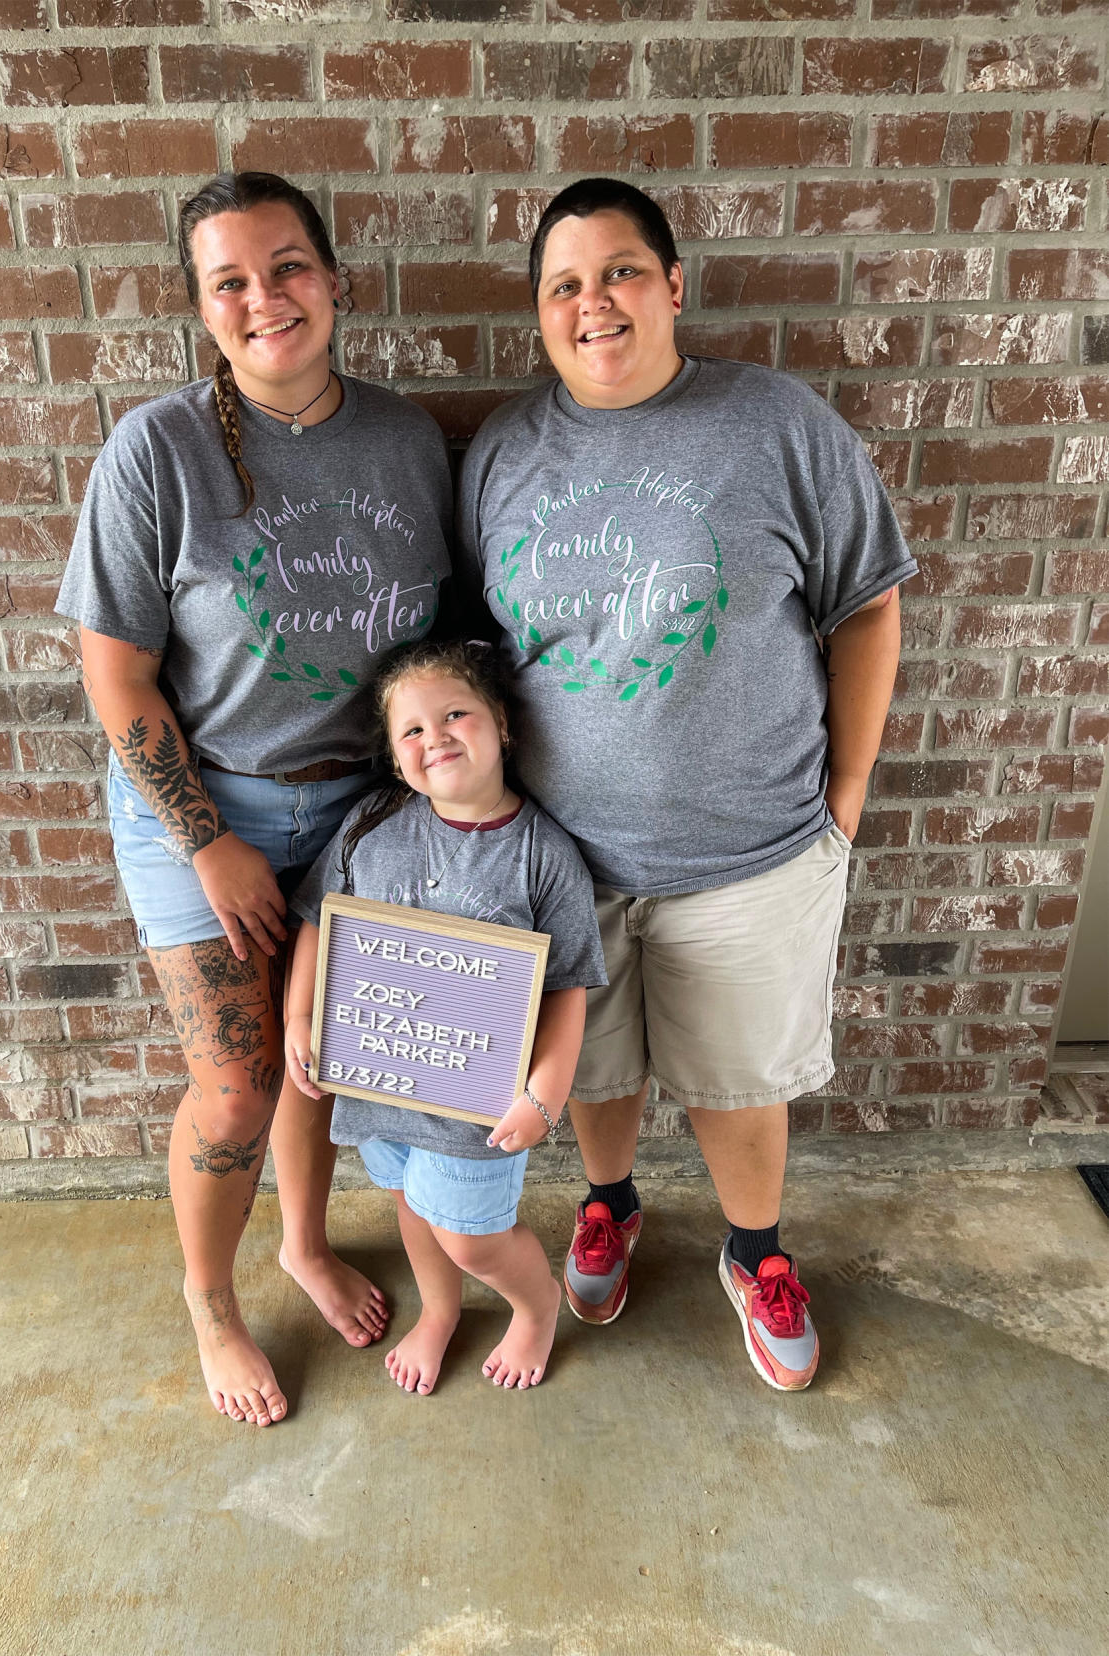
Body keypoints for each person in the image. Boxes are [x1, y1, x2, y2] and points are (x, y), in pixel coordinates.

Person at [457, 177, 917, 1391]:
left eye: (617, 271)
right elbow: (482, 647)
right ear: (542, 315)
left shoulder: (776, 425)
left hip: (753, 848)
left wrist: (851, 788)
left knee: (738, 1085)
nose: (592, 302)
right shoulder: (503, 449)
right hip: (564, 859)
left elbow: (870, 605)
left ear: (672, 285)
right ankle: (609, 1204)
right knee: (595, 1072)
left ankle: (755, 1252)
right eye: (564, 285)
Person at [55, 172, 454, 1426]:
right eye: (229, 280)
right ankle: (212, 1304)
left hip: (355, 815)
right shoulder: (156, 451)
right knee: (236, 1085)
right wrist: (209, 838)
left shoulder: (404, 440)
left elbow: (439, 636)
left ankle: (306, 1242)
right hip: (197, 808)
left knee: (322, 1065)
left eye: (286, 267)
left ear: (335, 280)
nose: (264, 298)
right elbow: (114, 675)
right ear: (203, 309)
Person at [283, 640, 607, 1394]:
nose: (437, 737)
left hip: (478, 1103)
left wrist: (544, 1095)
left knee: (471, 1233)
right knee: (413, 1205)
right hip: (382, 1081)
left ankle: (534, 1307)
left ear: (501, 723)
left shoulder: (543, 855)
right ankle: (440, 1312)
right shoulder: (370, 823)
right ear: (396, 760)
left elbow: (567, 986)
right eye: (413, 731)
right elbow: (319, 919)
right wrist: (301, 1016)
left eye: (455, 714)